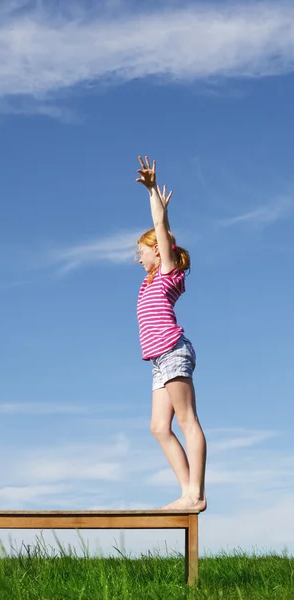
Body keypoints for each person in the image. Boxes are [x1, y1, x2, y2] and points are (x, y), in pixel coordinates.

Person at [135, 155, 207, 512]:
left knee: (186, 418)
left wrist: (152, 193)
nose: (139, 258)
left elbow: (162, 229)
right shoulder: (148, 282)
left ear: (157, 250)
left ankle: (196, 492)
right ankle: (185, 492)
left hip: (173, 350)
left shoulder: (167, 273)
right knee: (158, 427)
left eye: (141, 251)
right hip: (158, 360)